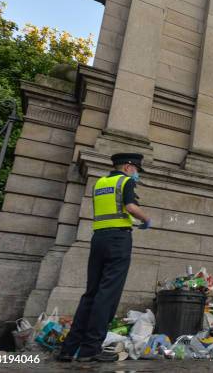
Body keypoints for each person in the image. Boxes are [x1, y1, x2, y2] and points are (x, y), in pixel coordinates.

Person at [58, 153, 151, 362]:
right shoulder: (125, 181)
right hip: (118, 240)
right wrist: (146, 219)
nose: (136, 174)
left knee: (91, 293)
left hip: (98, 238)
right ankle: (90, 348)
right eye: (136, 170)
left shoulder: (100, 183)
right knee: (107, 294)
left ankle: (69, 348)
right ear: (128, 167)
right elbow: (130, 207)